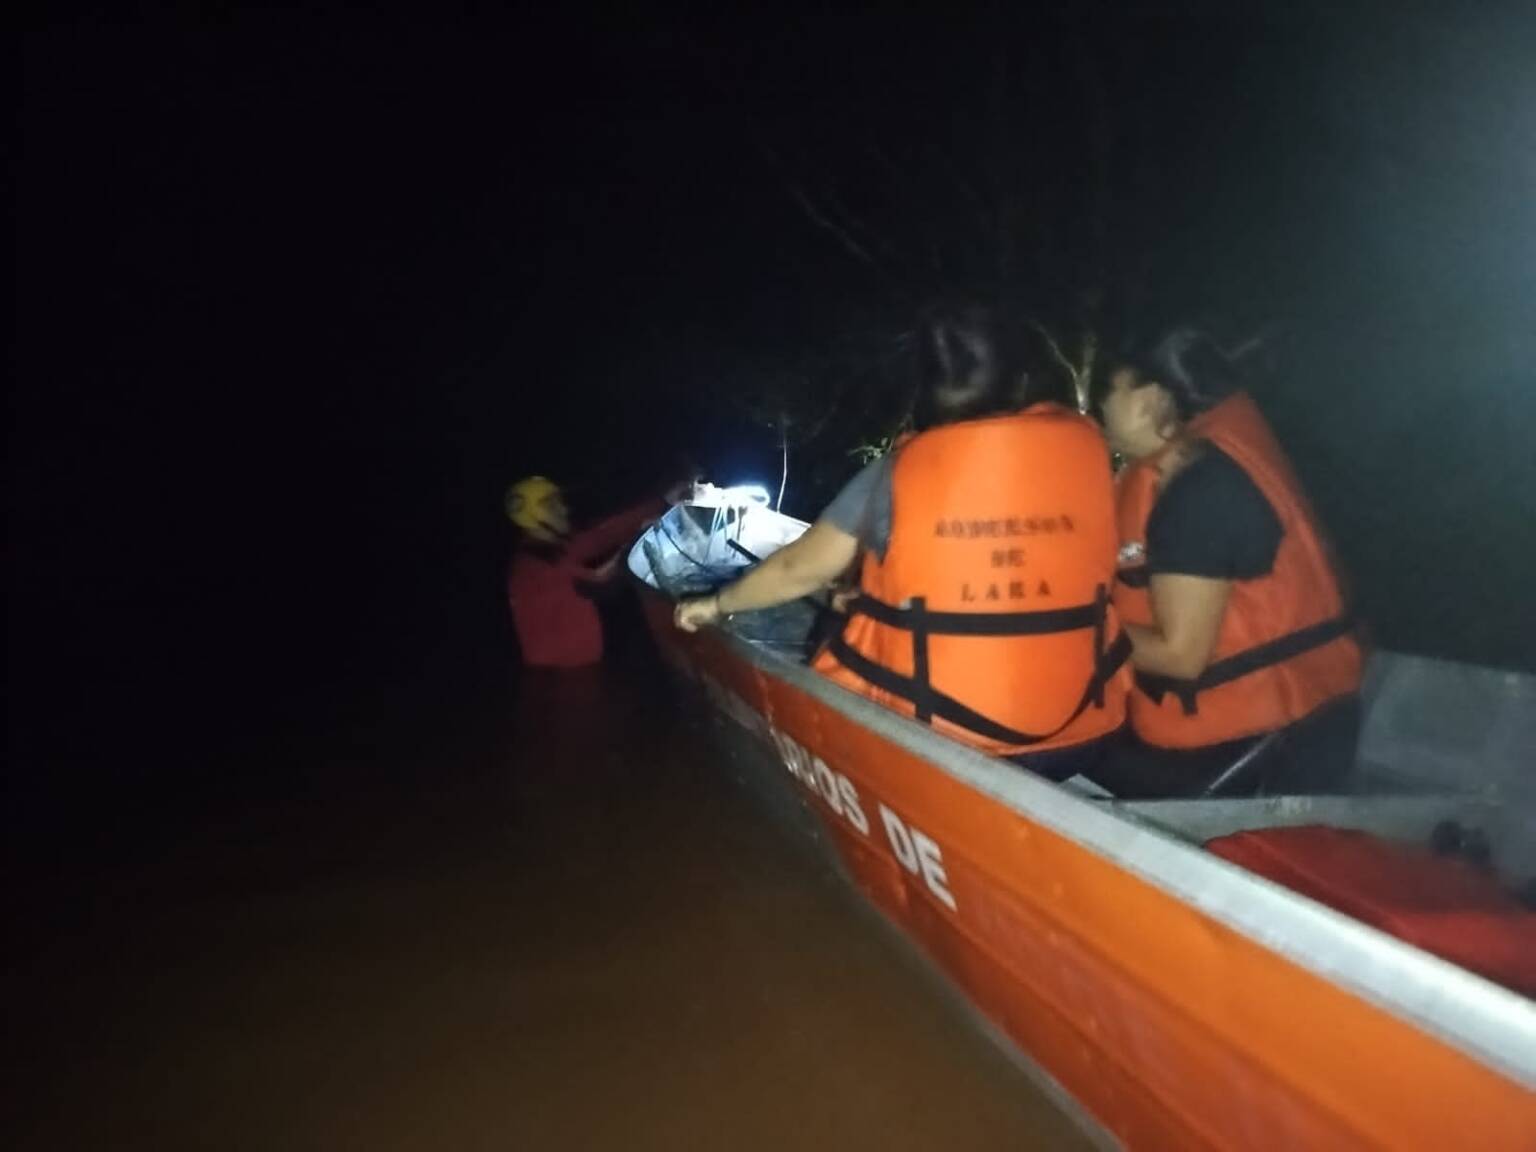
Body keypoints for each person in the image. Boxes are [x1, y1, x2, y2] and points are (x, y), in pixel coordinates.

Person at [675, 304, 1130, 781]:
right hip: (1086, 729)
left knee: (833, 621)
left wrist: (717, 603)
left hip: (945, 737)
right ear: (1025, 379)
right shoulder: (1088, 457)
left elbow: (798, 571)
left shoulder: (900, 471)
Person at [1096, 330, 1364, 796]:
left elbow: (1179, 656)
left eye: (1109, 392)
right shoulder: (1214, 455)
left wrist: (1076, 633)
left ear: (1154, 398)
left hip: (1263, 743)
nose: (1099, 409)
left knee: (1058, 754)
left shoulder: (1199, 487)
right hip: (1311, 721)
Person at [505, 475, 677, 668]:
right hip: (569, 678)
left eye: (559, 502)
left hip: (577, 669)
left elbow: (603, 534)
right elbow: (602, 583)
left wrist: (663, 502)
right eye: (552, 505)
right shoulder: (539, 566)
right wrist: (640, 539)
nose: (563, 509)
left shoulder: (547, 549)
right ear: (535, 518)